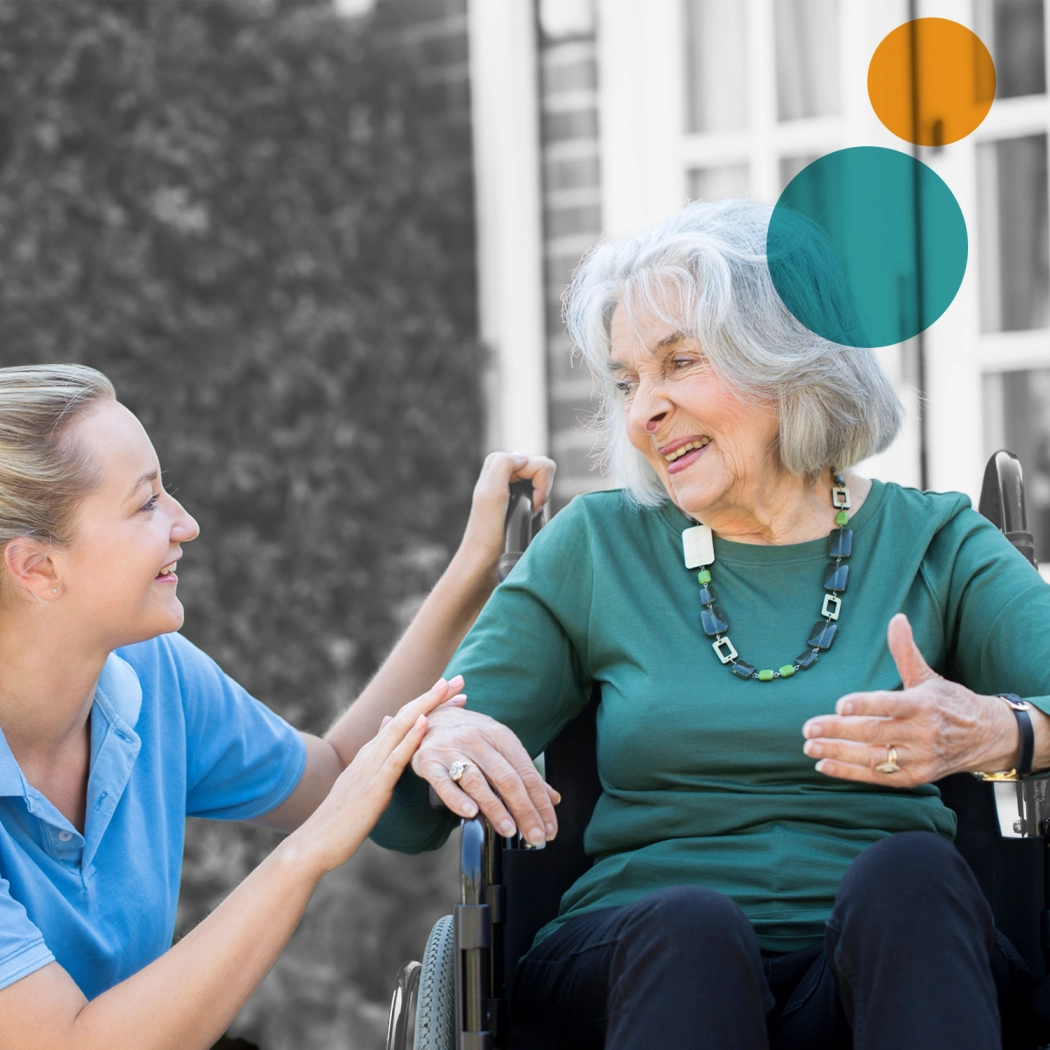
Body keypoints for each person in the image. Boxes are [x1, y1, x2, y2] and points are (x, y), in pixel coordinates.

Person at [371, 199, 1050, 1050]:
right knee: (691, 929)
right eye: (627, 382)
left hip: (886, 970)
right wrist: (436, 738)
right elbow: (405, 818)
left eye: (679, 362)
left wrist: (1004, 730)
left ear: (788, 360)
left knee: (913, 878)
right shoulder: (597, 547)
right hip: (636, 967)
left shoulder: (934, 540)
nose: (641, 412)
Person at [0, 363, 556, 1050]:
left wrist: (474, 569)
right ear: (36, 568)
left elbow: (334, 774)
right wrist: (305, 856)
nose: (186, 524)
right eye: (146, 503)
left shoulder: (151, 679)